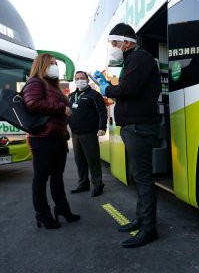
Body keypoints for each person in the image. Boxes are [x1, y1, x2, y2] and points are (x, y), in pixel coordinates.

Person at [98, 23, 161, 248]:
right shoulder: (133, 60)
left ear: (126, 41)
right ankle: (142, 219)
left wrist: (106, 88)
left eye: (114, 43)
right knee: (139, 177)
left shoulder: (140, 58)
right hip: (134, 127)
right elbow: (128, 89)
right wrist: (111, 88)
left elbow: (129, 89)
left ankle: (149, 228)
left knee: (143, 179)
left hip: (139, 127)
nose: (113, 47)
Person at [23, 53, 80, 229]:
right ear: (42, 65)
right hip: (42, 138)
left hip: (58, 137)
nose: (55, 66)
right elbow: (32, 103)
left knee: (57, 177)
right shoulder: (35, 82)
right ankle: (43, 214)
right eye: (52, 63)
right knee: (41, 178)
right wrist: (62, 108)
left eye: (56, 63)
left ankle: (62, 209)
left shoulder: (53, 87)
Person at [68, 71, 107, 197]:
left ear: (87, 80)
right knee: (79, 161)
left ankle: (98, 185)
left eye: (82, 78)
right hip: (75, 134)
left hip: (89, 133)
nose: (80, 80)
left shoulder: (94, 95)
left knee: (93, 160)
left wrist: (102, 127)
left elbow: (102, 112)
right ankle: (83, 183)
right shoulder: (71, 96)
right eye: (77, 78)